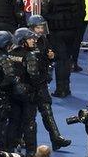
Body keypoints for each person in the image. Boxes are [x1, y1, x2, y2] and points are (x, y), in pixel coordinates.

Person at [28, 15, 71, 149]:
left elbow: (49, 58)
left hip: (41, 82)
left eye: (42, 27)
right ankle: (22, 140)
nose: (41, 30)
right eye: (38, 27)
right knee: (28, 115)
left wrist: (51, 57)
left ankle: (56, 138)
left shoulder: (44, 40)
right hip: (28, 84)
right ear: (32, 28)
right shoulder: (24, 41)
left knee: (47, 110)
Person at [41, 0, 86, 97]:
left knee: (60, 61)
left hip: (56, 33)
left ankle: (61, 89)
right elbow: (83, 15)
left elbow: (44, 16)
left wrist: (46, 35)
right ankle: (66, 87)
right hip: (73, 33)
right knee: (67, 59)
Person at [7, 27, 41, 155]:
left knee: (13, 121)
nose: (33, 41)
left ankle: (11, 150)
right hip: (27, 94)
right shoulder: (30, 55)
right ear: (23, 41)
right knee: (29, 123)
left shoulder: (10, 53)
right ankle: (31, 152)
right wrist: (36, 89)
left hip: (12, 93)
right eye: (30, 38)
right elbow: (34, 75)